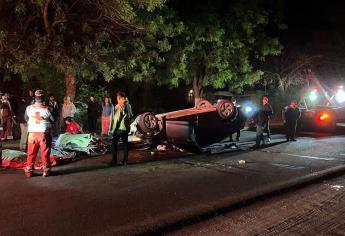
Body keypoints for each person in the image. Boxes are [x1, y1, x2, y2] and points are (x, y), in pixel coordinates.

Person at [24, 90, 54, 177]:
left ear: (35, 98)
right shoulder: (47, 108)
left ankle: (29, 172)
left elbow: (26, 118)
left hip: (32, 134)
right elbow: (53, 120)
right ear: (43, 98)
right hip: (43, 133)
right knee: (45, 153)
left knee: (31, 153)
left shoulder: (29, 108)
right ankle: (46, 171)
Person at [109, 92, 133, 166]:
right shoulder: (128, 105)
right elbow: (131, 116)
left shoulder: (119, 105)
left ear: (119, 97)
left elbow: (117, 118)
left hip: (119, 128)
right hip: (126, 128)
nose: (117, 99)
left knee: (114, 144)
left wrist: (113, 128)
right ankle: (125, 161)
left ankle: (114, 161)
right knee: (125, 144)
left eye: (117, 98)